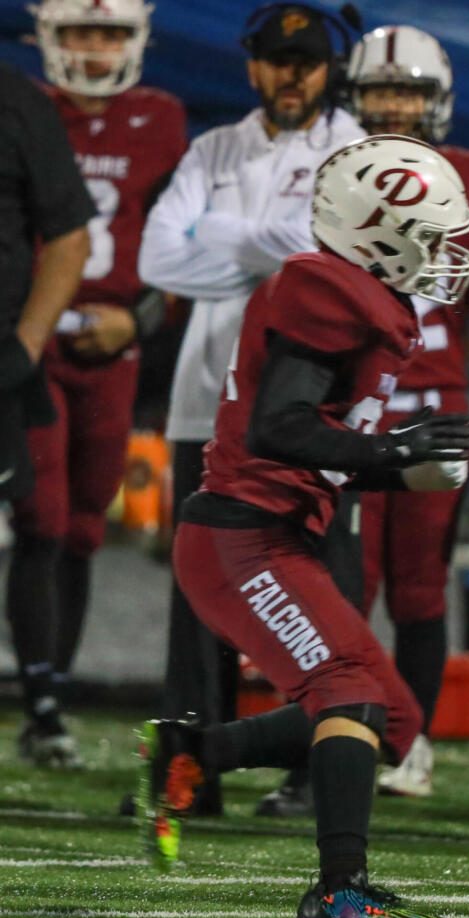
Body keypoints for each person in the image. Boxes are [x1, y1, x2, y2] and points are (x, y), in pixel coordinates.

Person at [141, 134, 469, 918]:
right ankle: (338, 888)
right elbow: (279, 428)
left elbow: (319, 442)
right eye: (427, 236)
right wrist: (394, 450)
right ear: (379, 234)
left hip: (277, 533)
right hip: (240, 536)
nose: (440, 254)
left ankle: (195, 752)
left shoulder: (356, 294)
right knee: (349, 681)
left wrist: (398, 471)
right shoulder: (325, 289)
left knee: (391, 717)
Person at [137, 2, 365, 816]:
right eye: (277, 59)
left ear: (329, 68)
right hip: (207, 400)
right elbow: (156, 254)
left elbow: (328, 263)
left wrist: (221, 237)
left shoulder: (353, 152)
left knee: (320, 592)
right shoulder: (213, 147)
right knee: (200, 593)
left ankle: (318, 763)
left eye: (305, 60)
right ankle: (188, 775)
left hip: (307, 405)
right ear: (253, 67)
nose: (292, 74)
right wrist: (267, 248)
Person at [345, 24, 469, 797]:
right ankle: (341, 736)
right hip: (351, 410)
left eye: (408, 91)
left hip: (434, 404)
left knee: (420, 586)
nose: (394, 105)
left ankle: (411, 742)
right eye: (381, 90)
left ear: (436, 99)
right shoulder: (331, 171)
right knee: (344, 586)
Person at [11, 0, 186, 769]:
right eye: (80, 30)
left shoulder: (164, 120)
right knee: (40, 517)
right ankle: (44, 703)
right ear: (46, 35)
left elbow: (188, 243)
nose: (92, 47)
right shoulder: (23, 106)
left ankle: (56, 690)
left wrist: (142, 323)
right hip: (32, 340)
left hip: (114, 343)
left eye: (108, 32)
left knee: (84, 525)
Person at [0, 57, 94, 763]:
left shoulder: (17, 102)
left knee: (45, 523)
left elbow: (69, 238)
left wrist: (25, 347)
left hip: (3, 361)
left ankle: (42, 699)